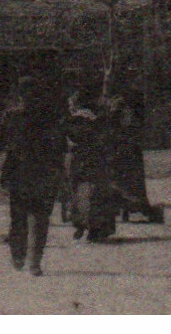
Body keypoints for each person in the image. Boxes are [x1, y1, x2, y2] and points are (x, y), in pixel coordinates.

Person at [0, 77, 65, 276]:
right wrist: (60, 172)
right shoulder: (48, 116)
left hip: (19, 172)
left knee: (19, 217)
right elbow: (58, 147)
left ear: (19, 94)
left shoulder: (11, 116)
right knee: (39, 217)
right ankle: (34, 261)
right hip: (41, 172)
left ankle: (19, 257)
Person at [64, 90, 117, 242]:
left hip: (79, 160)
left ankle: (82, 225)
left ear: (76, 104)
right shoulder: (97, 119)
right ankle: (95, 227)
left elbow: (71, 139)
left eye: (71, 104)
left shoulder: (75, 120)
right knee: (97, 192)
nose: (69, 107)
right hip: (96, 160)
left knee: (78, 192)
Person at [108, 93, 162, 223]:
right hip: (125, 145)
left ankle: (124, 205)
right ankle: (132, 205)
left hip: (121, 146)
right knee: (129, 178)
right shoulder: (125, 106)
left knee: (125, 177)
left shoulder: (118, 106)